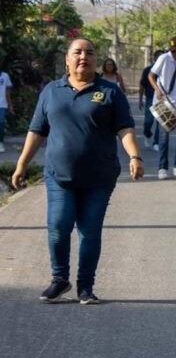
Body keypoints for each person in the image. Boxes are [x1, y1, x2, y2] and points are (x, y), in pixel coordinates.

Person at [11, 37, 144, 304]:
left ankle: (86, 286)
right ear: (67, 59)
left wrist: (135, 156)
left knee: (89, 231)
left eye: (90, 53)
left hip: (99, 177)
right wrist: (22, 164)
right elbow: (37, 131)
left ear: (96, 59)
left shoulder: (109, 91)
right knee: (58, 226)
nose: (84, 57)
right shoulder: (51, 91)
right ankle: (60, 279)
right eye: (78, 52)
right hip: (59, 176)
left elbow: (124, 128)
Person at [149, 35, 176, 180]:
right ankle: (162, 168)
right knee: (164, 137)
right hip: (164, 102)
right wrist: (157, 90)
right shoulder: (164, 58)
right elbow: (151, 76)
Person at [139, 50, 164, 149]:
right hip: (150, 98)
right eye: (159, 57)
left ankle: (156, 142)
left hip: (162, 98)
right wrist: (140, 99)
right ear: (155, 58)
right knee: (148, 121)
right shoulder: (148, 70)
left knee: (160, 121)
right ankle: (147, 133)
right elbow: (142, 85)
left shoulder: (165, 70)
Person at [0, 67, 14, 153]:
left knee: (1, 123)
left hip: (2, 104)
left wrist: (10, 104)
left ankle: (0, 142)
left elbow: (7, 92)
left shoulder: (5, 76)